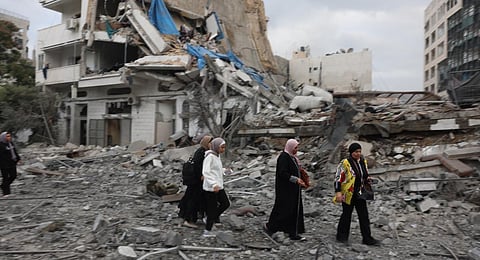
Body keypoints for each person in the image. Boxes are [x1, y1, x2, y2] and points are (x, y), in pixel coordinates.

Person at [334, 142, 380, 246]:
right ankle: (341, 237)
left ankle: (367, 238)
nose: (358, 153)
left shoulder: (362, 161)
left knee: (364, 216)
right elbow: (338, 178)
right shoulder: (344, 163)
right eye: (356, 152)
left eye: (359, 151)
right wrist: (338, 192)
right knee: (346, 215)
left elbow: (364, 174)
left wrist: (367, 179)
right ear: (351, 152)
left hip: (360, 193)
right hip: (348, 193)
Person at [264, 139, 307, 241]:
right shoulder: (284, 157)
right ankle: (271, 227)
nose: (296, 150)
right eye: (295, 147)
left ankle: (292, 232)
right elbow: (282, 173)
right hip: (285, 190)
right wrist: (295, 179)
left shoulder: (292, 158)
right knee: (283, 209)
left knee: (293, 210)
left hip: (293, 189)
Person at [178, 135, 212, 228]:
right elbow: (197, 167)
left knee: (195, 199)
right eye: (210, 143)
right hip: (195, 181)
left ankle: (192, 217)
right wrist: (201, 176)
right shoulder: (201, 152)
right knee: (192, 199)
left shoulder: (205, 152)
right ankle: (188, 219)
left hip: (197, 181)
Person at [201, 137, 230, 237]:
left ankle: (210, 218)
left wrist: (224, 171)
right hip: (211, 188)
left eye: (224, 147)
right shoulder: (210, 157)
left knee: (225, 204)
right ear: (216, 147)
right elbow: (206, 172)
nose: (223, 150)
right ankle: (207, 231)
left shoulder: (216, 156)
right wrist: (213, 184)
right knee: (212, 208)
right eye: (222, 147)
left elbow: (216, 169)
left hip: (218, 186)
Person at [0, 132, 20, 197]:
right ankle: (6, 192)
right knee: (5, 178)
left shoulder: (10, 143)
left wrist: (18, 158)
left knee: (13, 176)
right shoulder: (1, 145)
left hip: (12, 163)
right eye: (7, 136)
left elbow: (14, 151)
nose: (9, 137)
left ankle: (4, 186)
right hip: (4, 164)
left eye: (9, 136)